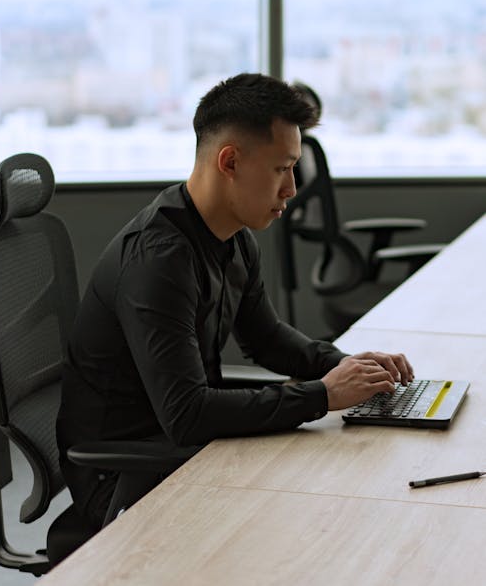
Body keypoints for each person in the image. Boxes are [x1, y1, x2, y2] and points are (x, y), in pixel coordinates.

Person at [57, 72, 413, 530]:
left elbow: (266, 339)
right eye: (282, 169)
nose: (292, 189)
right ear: (230, 162)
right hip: (125, 479)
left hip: (179, 450)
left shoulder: (232, 237)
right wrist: (323, 395)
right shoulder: (159, 261)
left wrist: (352, 369)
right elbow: (187, 415)